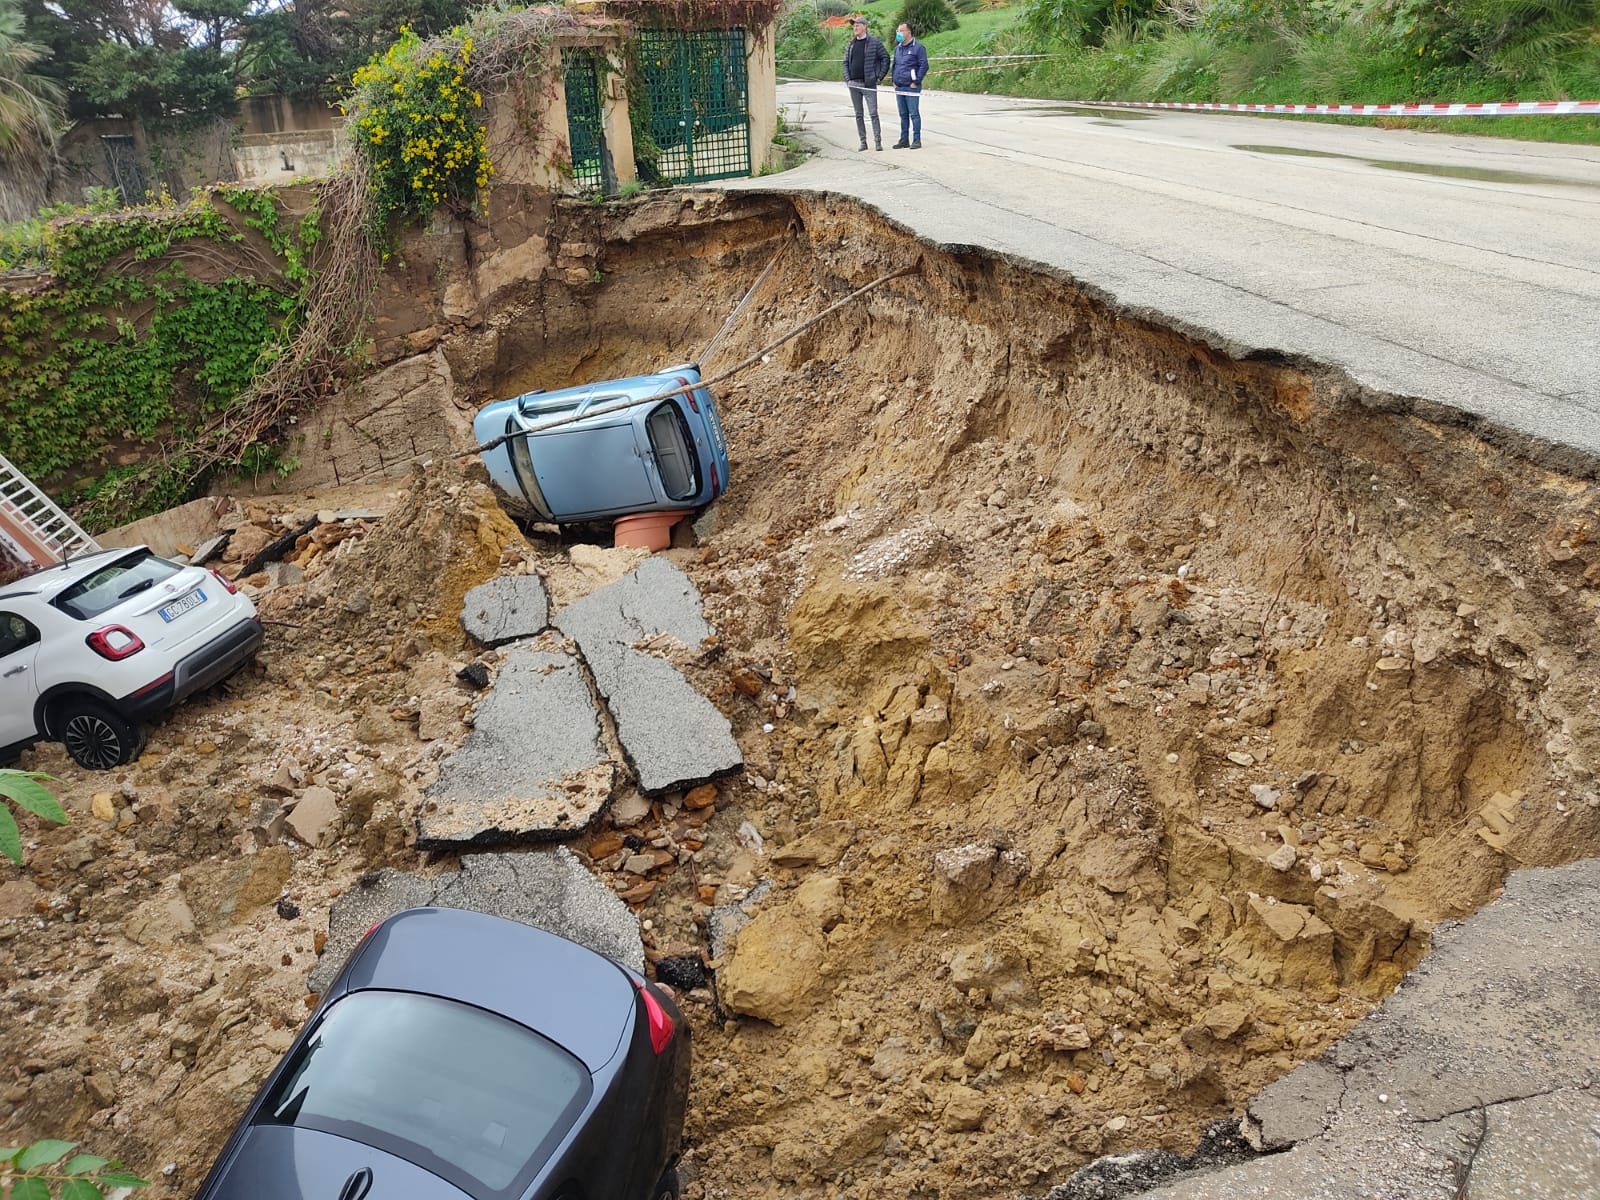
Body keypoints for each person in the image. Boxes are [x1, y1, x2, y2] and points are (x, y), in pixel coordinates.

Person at [842, 16, 889, 152]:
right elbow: (845, 63)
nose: (855, 28)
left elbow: (885, 57)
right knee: (858, 114)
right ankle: (863, 142)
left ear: (864, 27)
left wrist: (879, 77)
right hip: (854, 85)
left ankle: (878, 142)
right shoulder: (851, 44)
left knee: (873, 113)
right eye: (854, 26)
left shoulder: (874, 42)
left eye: (857, 25)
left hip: (868, 84)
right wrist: (847, 79)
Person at [891, 22, 928, 149]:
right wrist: (894, 80)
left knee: (913, 113)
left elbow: (924, 65)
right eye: (898, 31)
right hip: (899, 86)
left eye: (901, 31)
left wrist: (916, 81)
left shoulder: (918, 48)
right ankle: (904, 139)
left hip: (911, 86)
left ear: (909, 32)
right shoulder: (898, 48)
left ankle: (916, 140)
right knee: (903, 114)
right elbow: (895, 65)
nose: (898, 33)